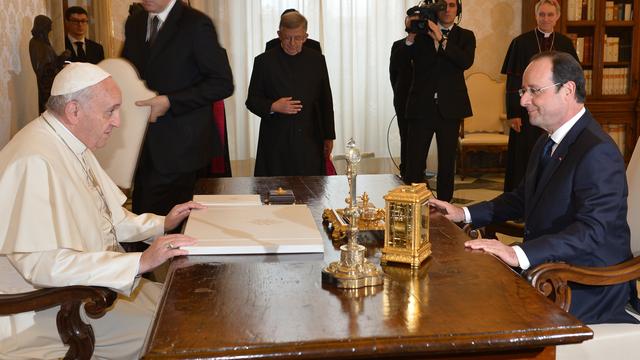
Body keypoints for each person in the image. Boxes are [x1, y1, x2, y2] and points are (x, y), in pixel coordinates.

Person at [0, 62, 203, 359]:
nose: (118, 121)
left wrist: (162, 224)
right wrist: (139, 262)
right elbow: (43, 267)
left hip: (88, 290)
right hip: (44, 311)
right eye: (110, 111)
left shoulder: (70, 143)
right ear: (73, 111)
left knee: (183, 303)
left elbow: (108, 218)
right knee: (182, 332)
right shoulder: (34, 159)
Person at [429, 51, 638, 325]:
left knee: (479, 311)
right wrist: (464, 214)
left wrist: (518, 253)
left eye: (534, 91)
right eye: (523, 91)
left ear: (568, 90)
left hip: (586, 284)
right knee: (460, 286)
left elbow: (592, 232)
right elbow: (521, 199)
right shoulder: (546, 141)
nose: (523, 100)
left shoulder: (597, 151)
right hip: (550, 268)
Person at [121, 0, 234, 216]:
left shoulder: (196, 24)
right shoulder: (134, 23)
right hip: (142, 145)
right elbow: (129, 72)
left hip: (183, 147)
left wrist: (170, 101)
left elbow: (222, 83)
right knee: (145, 219)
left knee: (177, 228)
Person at [390, 0, 475, 202]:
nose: (447, 9)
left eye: (452, 5)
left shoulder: (465, 36)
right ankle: (413, 205)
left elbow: (465, 62)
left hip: (450, 109)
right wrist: (411, 34)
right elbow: (400, 63)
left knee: (447, 163)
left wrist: (441, 38)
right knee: (414, 163)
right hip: (421, 108)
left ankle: (446, 208)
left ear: (458, 10)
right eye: (443, 5)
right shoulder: (420, 36)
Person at [501, 0, 578, 192]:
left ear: (557, 17)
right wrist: (513, 113)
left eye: (550, 15)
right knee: (524, 156)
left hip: (556, 113)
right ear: (536, 16)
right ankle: (520, 202)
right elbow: (512, 80)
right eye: (542, 14)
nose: (545, 18)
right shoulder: (520, 42)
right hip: (527, 111)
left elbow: (572, 80)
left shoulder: (565, 43)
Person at [246, 11, 335, 176]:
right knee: (275, 194)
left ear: (305, 36)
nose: (292, 43)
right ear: (279, 34)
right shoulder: (263, 62)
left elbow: (325, 100)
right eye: (287, 38)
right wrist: (273, 106)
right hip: (276, 141)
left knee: (311, 194)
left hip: (309, 139)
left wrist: (329, 136)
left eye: (298, 38)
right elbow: (251, 100)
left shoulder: (317, 60)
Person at [29, 15, 69, 113]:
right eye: (48, 28)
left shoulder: (45, 44)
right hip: (46, 87)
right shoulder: (35, 43)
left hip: (53, 85)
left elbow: (53, 62)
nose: (50, 30)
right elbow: (42, 68)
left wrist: (62, 57)